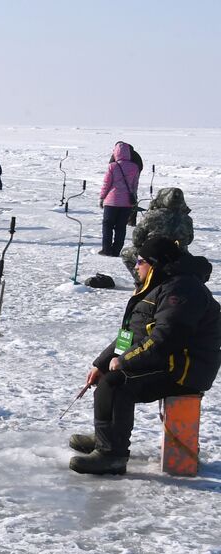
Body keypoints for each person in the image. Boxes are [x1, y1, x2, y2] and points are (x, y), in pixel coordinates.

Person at [69, 238, 218, 475]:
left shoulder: (181, 289)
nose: (136, 266)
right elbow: (132, 332)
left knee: (117, 383)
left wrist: (125, 361)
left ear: (154, 264)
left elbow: (167, 338)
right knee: (108, 378)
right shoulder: (158, 285)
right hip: (167, 361)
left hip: (186, 370)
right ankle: (105, 438)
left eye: (140, 261)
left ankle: (112, 456)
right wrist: (102, 363)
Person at [98, 141, 140, 257]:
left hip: (111, 201)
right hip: (126, 202)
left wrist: (102, 197)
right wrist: (134, 198)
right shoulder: (134, 167)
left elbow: (106, 184)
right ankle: (116, 250)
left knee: (107, 225)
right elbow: (135, 185)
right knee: (121, 227)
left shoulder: (112, 166)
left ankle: (106, 249)